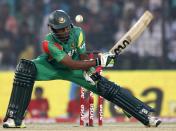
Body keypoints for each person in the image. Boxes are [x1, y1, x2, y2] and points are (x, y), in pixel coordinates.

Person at [3, 10, 161, 128]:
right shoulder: (48, 42)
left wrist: (96, 62)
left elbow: (82, 56)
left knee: (106, 87)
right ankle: (14, 118)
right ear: (51, 28)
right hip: (50, 67)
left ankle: (145, 116)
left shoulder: (78, 32)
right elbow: (69, 63)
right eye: (60, 29)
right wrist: (98, 61)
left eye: (66, 27)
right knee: (24, 68)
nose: (64, 31)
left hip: (76, 69)